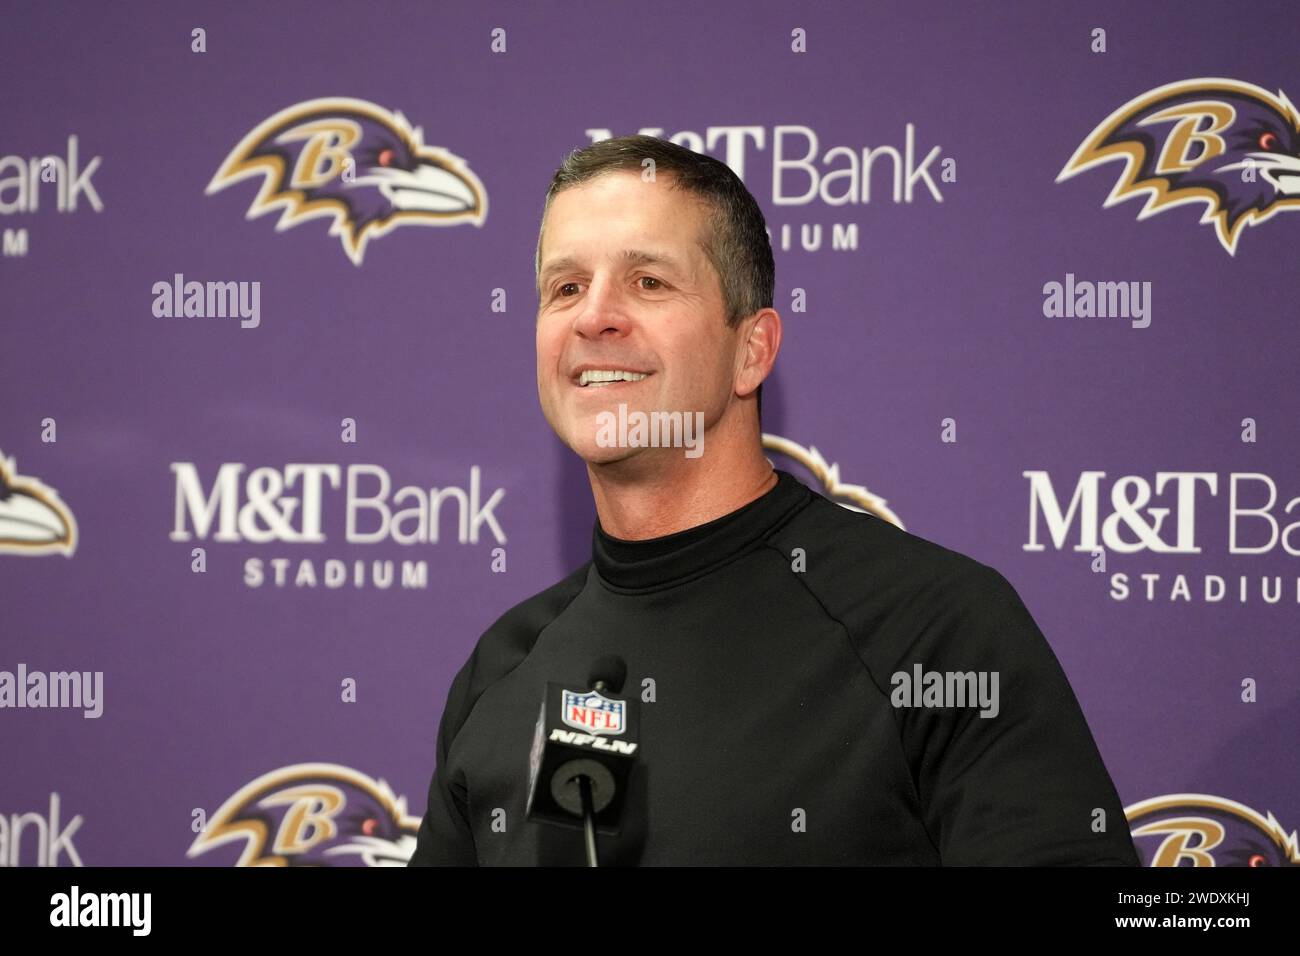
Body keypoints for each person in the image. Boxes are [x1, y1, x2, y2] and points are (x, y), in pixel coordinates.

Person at [407, 134, 1139, 866]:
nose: (594, 317)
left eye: (649, 282)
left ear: (752, 350)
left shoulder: (935, 630)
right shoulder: (503, 667)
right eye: (565, 288)